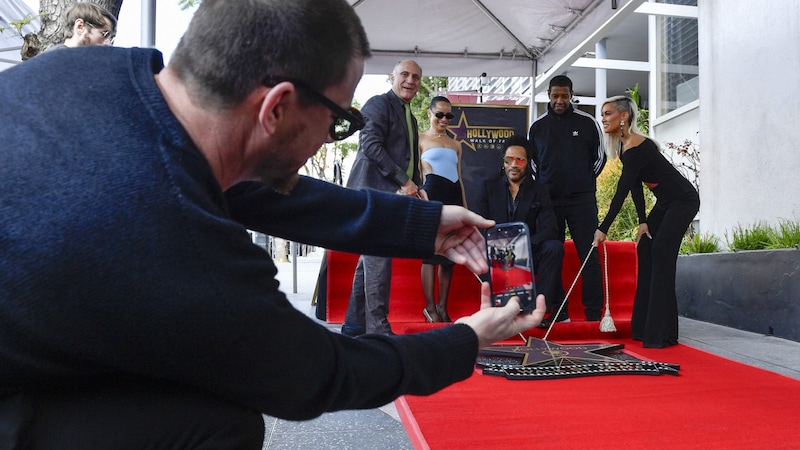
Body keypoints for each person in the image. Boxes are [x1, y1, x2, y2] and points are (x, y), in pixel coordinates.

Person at [0, 0, 546, 447]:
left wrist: (422, 223)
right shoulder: (183, 244)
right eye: (338, 121)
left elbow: (258, 191)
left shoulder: (86, 72)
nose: (336, 136)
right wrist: (466, 339)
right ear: (278, 107)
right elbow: (316, 375)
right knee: (222, 426)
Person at [593, 95, 700, 348]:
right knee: (645, 247)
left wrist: (603, 228)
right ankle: (643, 328)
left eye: (608, 113)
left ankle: (661, 333)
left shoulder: (638, 145)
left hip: (683, 200)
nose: (603, 118)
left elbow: (621, 191)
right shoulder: (624, 147)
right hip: (665, 202)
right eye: (603, 114)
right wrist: (643, 221)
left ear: (624, 116)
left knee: (662, 253)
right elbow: (636, 188)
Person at [342, 59, 426, 336]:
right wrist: (405, 180)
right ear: (392, 77)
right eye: (405, 74)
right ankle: (378, 328)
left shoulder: (410, 117)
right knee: (378, 258)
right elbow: (370, 146)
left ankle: (354, 325)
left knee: (370, 259)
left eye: (415, 76)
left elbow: (411, 158)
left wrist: (420, 185)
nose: (410, 80)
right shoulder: (379, 104)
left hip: (392, 197)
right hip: (372, 193)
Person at [528, 74, 606, 323]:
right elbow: (533, 163)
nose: (559, 100)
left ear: (571, 95)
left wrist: (581, 183)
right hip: (549, 202)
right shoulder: (537, 127)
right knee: (552, 254)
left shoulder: (588, 122)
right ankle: (559, 311)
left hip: (582, 201)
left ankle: (593, 314)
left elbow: (600, 159)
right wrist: (545, 188)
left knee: (589, 255)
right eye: (555, 96)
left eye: (564, 95)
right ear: (548, 96)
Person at [475, 135, 565, 325]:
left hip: (528, 252)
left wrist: (523, 246)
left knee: (554, 247)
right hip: (497, 252)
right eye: (509, 160)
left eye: (520, 160)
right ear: (503, 162)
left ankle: (537, 309)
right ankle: (498, 307)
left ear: (528, 162)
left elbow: (550, 229)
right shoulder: (489, 187)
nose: (514, 165)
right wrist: (501, 247)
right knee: (480, 248)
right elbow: (480, 225)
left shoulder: (540, 190)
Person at [418, 96, 467, 323]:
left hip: (453, 195)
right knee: (430, 253)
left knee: (449, 254)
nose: (444, 119)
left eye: (449, 115)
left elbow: (460, 178)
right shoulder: (420, 139)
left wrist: (465, 209)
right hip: (431, 195)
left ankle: (442, 307)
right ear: (429, 114)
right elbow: (416, 175)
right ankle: (430, 308)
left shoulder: (456, 144)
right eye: (440, 114)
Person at [49, 2, 116, 50]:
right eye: (104, 34)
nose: (108, 44)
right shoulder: (54, 60)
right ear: (80, 27)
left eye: (111, 38)